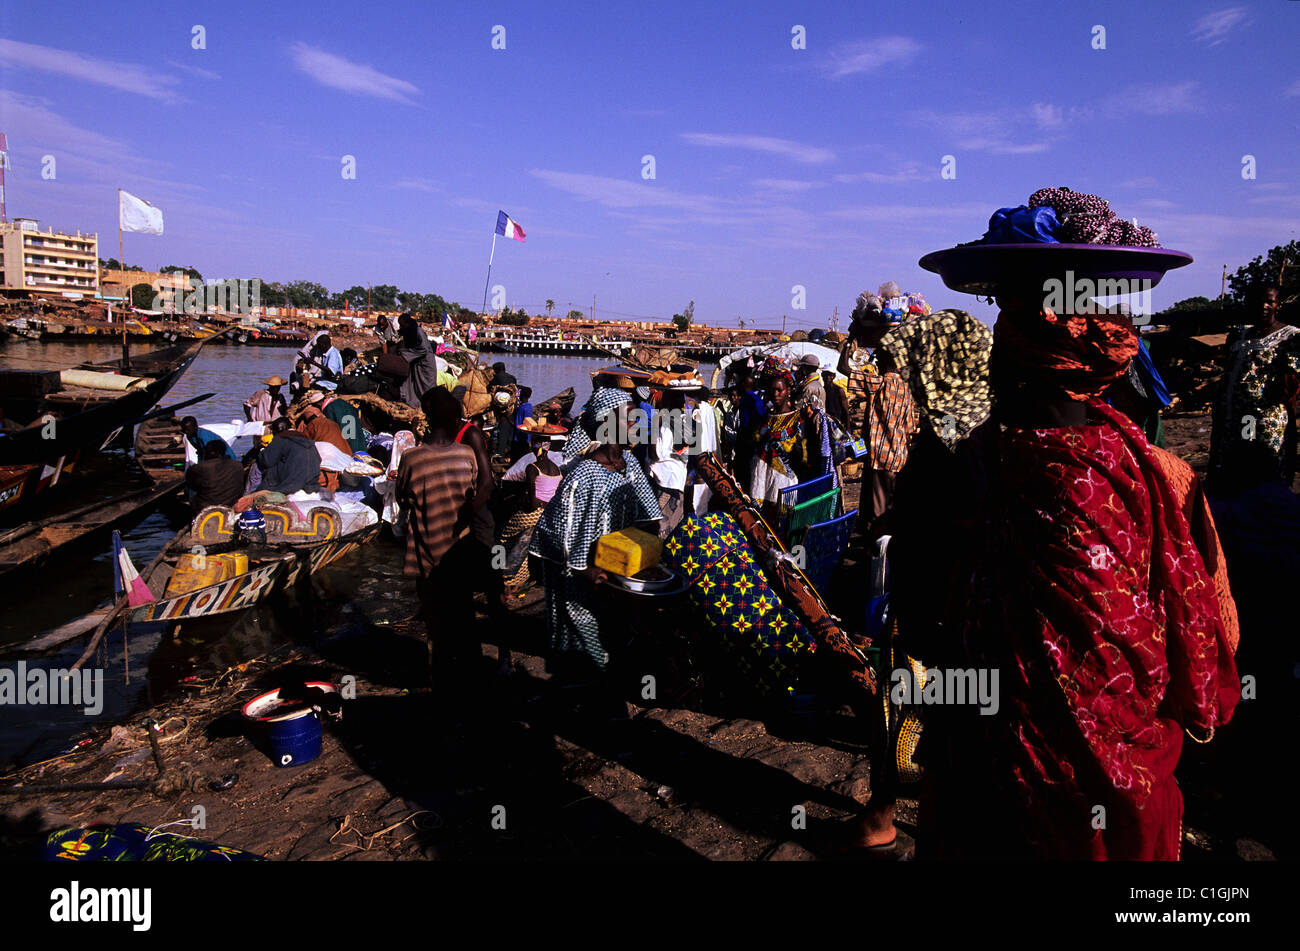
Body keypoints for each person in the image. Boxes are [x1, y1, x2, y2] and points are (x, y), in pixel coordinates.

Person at [925, 290, 1240, 860]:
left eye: (1004, 351)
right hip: (1121, 712)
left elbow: (935, 601)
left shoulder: (1002, 461)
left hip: (1027, 733)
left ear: (1024, 366)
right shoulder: (1143, 461)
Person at [529, 388, 663, 690]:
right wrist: (588, 569)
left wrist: (646, 551)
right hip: (584, 573)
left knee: (617, 633)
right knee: (583, 630)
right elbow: (568, 533)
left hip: (619, 568)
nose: (635, 424)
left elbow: (650, 515)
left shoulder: (630, 464)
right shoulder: (585, 474)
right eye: (629, 419)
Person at [396, 387, 482, 696]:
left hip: (428, 554)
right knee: (462, 613)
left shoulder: (411, 458)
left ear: (428, 421)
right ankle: (467, 677)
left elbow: (403, 499)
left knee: (435, 621)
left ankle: (441, 681)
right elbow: (473, 492)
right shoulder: (467, 454)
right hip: (460, 552)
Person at [860, 345, 919, 537]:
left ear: (884, 362)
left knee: (878, 513)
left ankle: (878, 555)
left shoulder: (877, 383)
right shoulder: (907, 388)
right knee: (895, 509)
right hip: (900, 457)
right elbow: (910, 427)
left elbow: (844, 369)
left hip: (880, 457)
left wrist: (851, 340)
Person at [749, 359, 818, 513]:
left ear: (788, 391)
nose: (775, 394)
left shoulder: (798, 420)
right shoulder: (765, 419)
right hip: (762, 482)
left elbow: (805, 457)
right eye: (772, 390)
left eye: (779, 390)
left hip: (786, 481)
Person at [257, 416, 322, 495]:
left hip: (290, 486)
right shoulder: (307, 440)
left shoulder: (281, 439)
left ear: (276, 431)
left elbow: (266, 461)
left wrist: (261, 451)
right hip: (311, 485)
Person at [186, 440, 246, 512]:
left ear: (210, 453)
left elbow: (191, 485)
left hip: (207, 507)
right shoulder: (238, 465)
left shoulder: (200, 468)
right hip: (231, 504)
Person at [397, 313, 440, 409]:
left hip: (426, 364)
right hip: (418, 364)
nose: (401, 327)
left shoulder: (418, 331)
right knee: (418, 386)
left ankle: (432, 408)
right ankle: (420, 406)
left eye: (402, 325)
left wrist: (404, 353)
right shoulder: (409, 332)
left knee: (428, 387)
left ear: (407, 323)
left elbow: (423, 349)